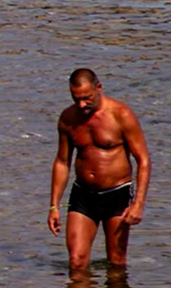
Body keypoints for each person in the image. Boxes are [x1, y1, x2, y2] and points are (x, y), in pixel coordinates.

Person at [49, 67, 151, 271]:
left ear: (99, 88)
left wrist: (138, 203)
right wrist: (54, 206)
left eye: (87, 98)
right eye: (76, 98)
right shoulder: (68, 118)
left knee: (116, 263)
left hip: (117, 194)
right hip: (83, 194)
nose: (81, 104)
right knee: (76, 262)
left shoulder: (121, 115)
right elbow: (62, 161)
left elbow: (143, 160)